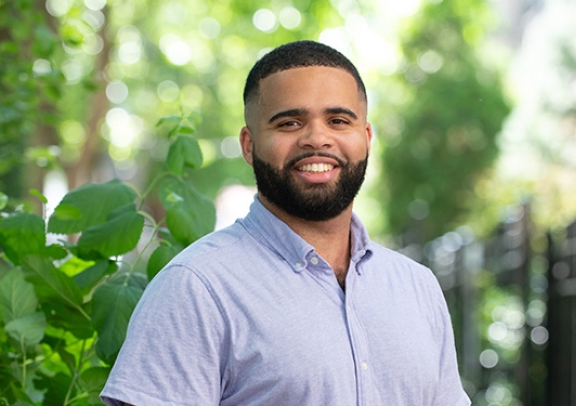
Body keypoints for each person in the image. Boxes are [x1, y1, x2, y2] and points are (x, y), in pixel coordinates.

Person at [101, 40, 471, 406]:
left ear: (366, 137)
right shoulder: (196, 289)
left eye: (338, 120)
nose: (317, 139)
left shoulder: (417, 288)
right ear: (249, 145)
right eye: (290, 122)